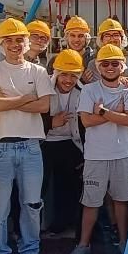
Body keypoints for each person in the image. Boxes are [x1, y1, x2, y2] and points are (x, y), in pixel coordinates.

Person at [0, 18, 54, 254]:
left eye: (19, 40)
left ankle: (30, 249)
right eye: (9, 40)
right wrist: (25, 98)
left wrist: (7, 99)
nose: (15, 45)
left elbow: (44, 106)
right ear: (1, 43)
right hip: (0, 146)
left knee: (32, 203)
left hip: (31, 145)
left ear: (26, 41)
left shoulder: (38, 72)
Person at [64, 44, 128, 254]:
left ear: (122, 66)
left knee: (122, 200)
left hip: (122, 153)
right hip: (95, 155)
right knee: (91, 202)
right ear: (98, 66)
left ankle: (124, 244)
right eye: (104, 63)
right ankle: (83, 245)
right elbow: (87, 121)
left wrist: (104, 111)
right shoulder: (89, 89)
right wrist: (118, 112)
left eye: (114, 63)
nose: (109, 67)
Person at [41, 49, 85, 235]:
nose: (68, 80)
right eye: (64, 75)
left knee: (68, 187)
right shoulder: (43, 88)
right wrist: (52, 122)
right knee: (39, 187)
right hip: (45, 143)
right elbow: (30, 116)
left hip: (71, 144)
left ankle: (63, 223)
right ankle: (37, 226)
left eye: (73, 76)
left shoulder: (83, 92)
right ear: (56, 73)